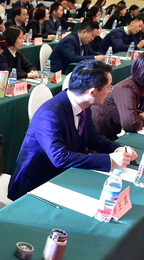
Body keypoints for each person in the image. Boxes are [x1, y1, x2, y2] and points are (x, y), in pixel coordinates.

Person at [8, 60, 136, 200]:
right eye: (108, 87)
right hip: (36, 183)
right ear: (92, 92)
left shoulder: (83, 105)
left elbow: (93, 137)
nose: (109, 91)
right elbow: (60, 158)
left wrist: (118, 149)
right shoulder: (50, 114)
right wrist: (109, 160)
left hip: (65, 174)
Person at [93, 51, 144, 140]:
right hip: (99, 138)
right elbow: (130, 126)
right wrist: (142, 117)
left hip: (110, 135)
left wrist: (138, 118)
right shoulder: (126, 88)